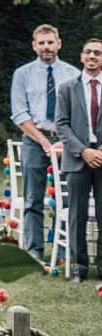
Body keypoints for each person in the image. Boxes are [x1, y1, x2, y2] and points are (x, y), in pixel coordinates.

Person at [11, 23, 72, 260]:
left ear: (59, 44)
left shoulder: (73, 74)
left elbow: (79, 113)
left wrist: (65, 143)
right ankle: (34, 251)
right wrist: (44, 143)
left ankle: (63, 252)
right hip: (34, 140)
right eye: (42, 43)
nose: (46, 47)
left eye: (50, 42)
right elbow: (19, 114)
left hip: (66, 141)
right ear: (34, 45)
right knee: (32, 198)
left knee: (64, 197)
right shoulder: (22, 74)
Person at [54, 38, 102, 282]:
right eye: (89, 52)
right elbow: (61, 124)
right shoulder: (67, 88)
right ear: (82, 57)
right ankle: (79, 269)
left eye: (98, 53)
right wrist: (83, 151)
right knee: (77, 215)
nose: (93, 56)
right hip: (77, 158)